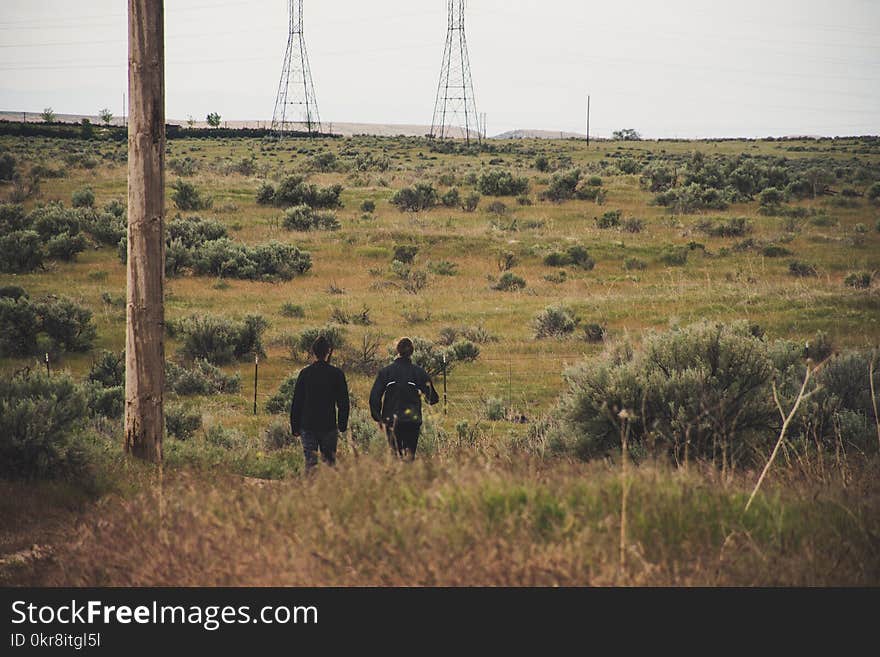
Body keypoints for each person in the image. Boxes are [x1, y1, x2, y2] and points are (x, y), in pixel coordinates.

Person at [369, 337, 439, 459]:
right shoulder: (418, 372)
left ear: (397, 351)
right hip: (412, 421)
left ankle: (397, 476)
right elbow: (432, 398)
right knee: (409, 457)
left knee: (395, 455)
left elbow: (374, 397)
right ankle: (408, 476)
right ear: (412, 352)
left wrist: (378, 418)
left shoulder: (386, 372)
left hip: (391, 421)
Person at [290, 336, 350, 472]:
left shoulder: (305, 373)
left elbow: (297, 401)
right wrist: (342, 424)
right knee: (329, 465)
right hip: (328, 425)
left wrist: (295, 426)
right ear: (328, 352)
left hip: (308, 425)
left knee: (310, 465)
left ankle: (310, 492)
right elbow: (344, 402)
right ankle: (326, 492)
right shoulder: (337, 374)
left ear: (313, 352)